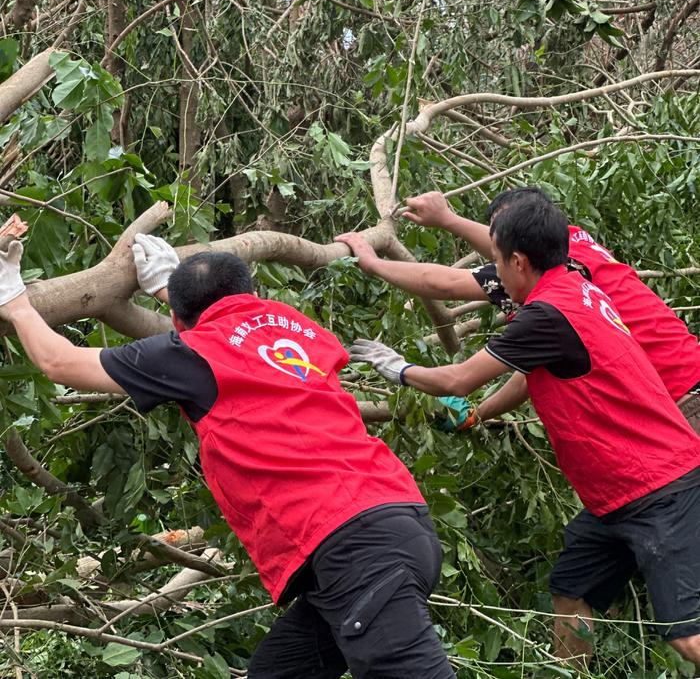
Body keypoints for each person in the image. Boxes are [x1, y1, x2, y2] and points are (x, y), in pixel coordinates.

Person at [0, 235, 456, 679]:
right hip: (396, 523)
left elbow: (61, 363)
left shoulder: (192, 354)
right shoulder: (294, 325)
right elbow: (238, 334)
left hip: (354, 545)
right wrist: (167, 287)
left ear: (179, 321)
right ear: (251, 289)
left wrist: (15, 299)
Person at [347, 198, 700, 668]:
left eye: (494, 260)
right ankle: (570, 673)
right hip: (616, 495)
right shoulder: (574, 286)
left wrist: (399, 368)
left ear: (517, 261)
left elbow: (458, 379)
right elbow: (527, 375)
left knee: (687, 634)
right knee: (571, 590)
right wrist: (480, 415)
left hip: (661, 485)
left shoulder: (548, 314)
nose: (490, 274)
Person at [336, 188, 700, 432]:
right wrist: (479, 414)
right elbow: (529, 372)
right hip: (669, 405)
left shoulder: (564, 272)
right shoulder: (553, 282)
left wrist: (377, 263)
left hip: (684, 394)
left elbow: (445, 285)